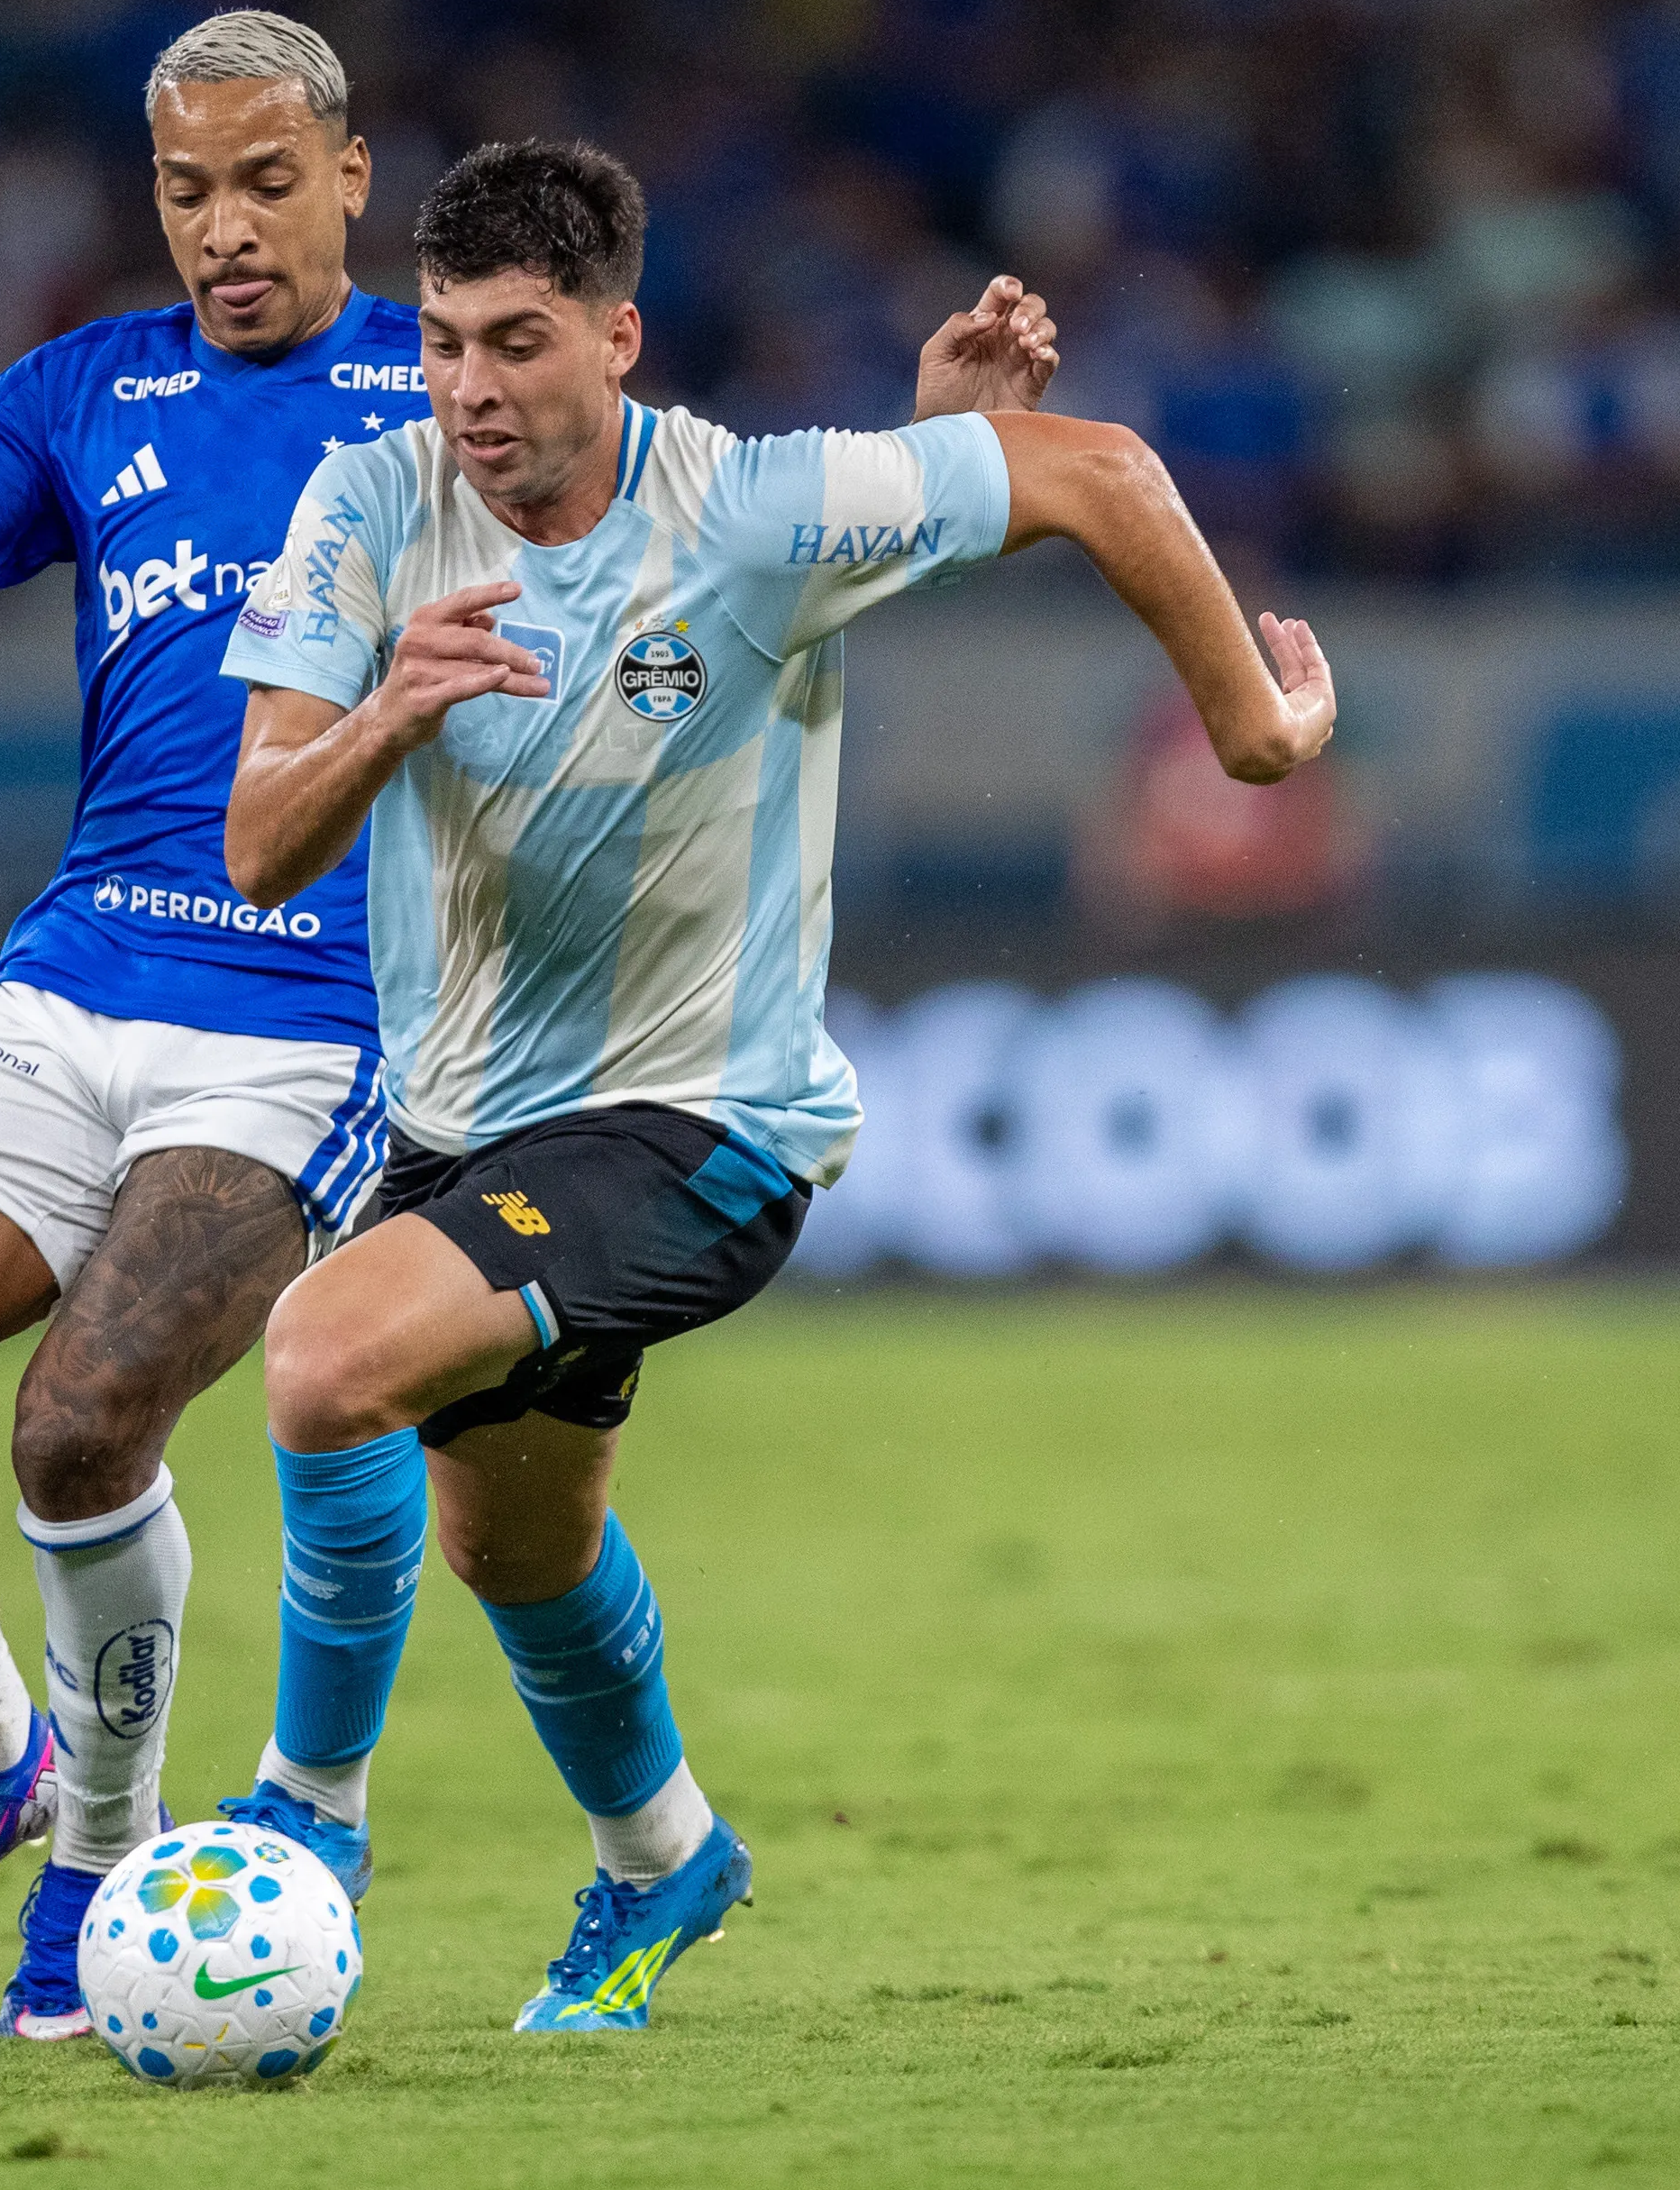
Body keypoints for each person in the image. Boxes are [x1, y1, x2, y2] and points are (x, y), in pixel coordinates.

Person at [0, 13, 1059, 2039]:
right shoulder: (86, 393)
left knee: (125, 1412)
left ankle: (156, 1841)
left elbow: (709, 557)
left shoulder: (448, 387)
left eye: (266, 181)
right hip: (84, 961)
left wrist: (932, 445)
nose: (224, 227)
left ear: (353, 177)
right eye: (186, 190)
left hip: (330, 1012)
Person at [214, 139, 1332, 2032]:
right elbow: (257, 840)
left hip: (703, 1124)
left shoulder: (749, 512)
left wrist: (1255, 728)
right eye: (439, 344)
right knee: (515, 1541)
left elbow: (1111, 477)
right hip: (463, 1128)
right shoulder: (367, 504)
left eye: (517, 342)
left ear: (617, 339)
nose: (470, 389)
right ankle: (667, 1857)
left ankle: (305, 1821)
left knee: (326, 1354)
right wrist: (391, 709)